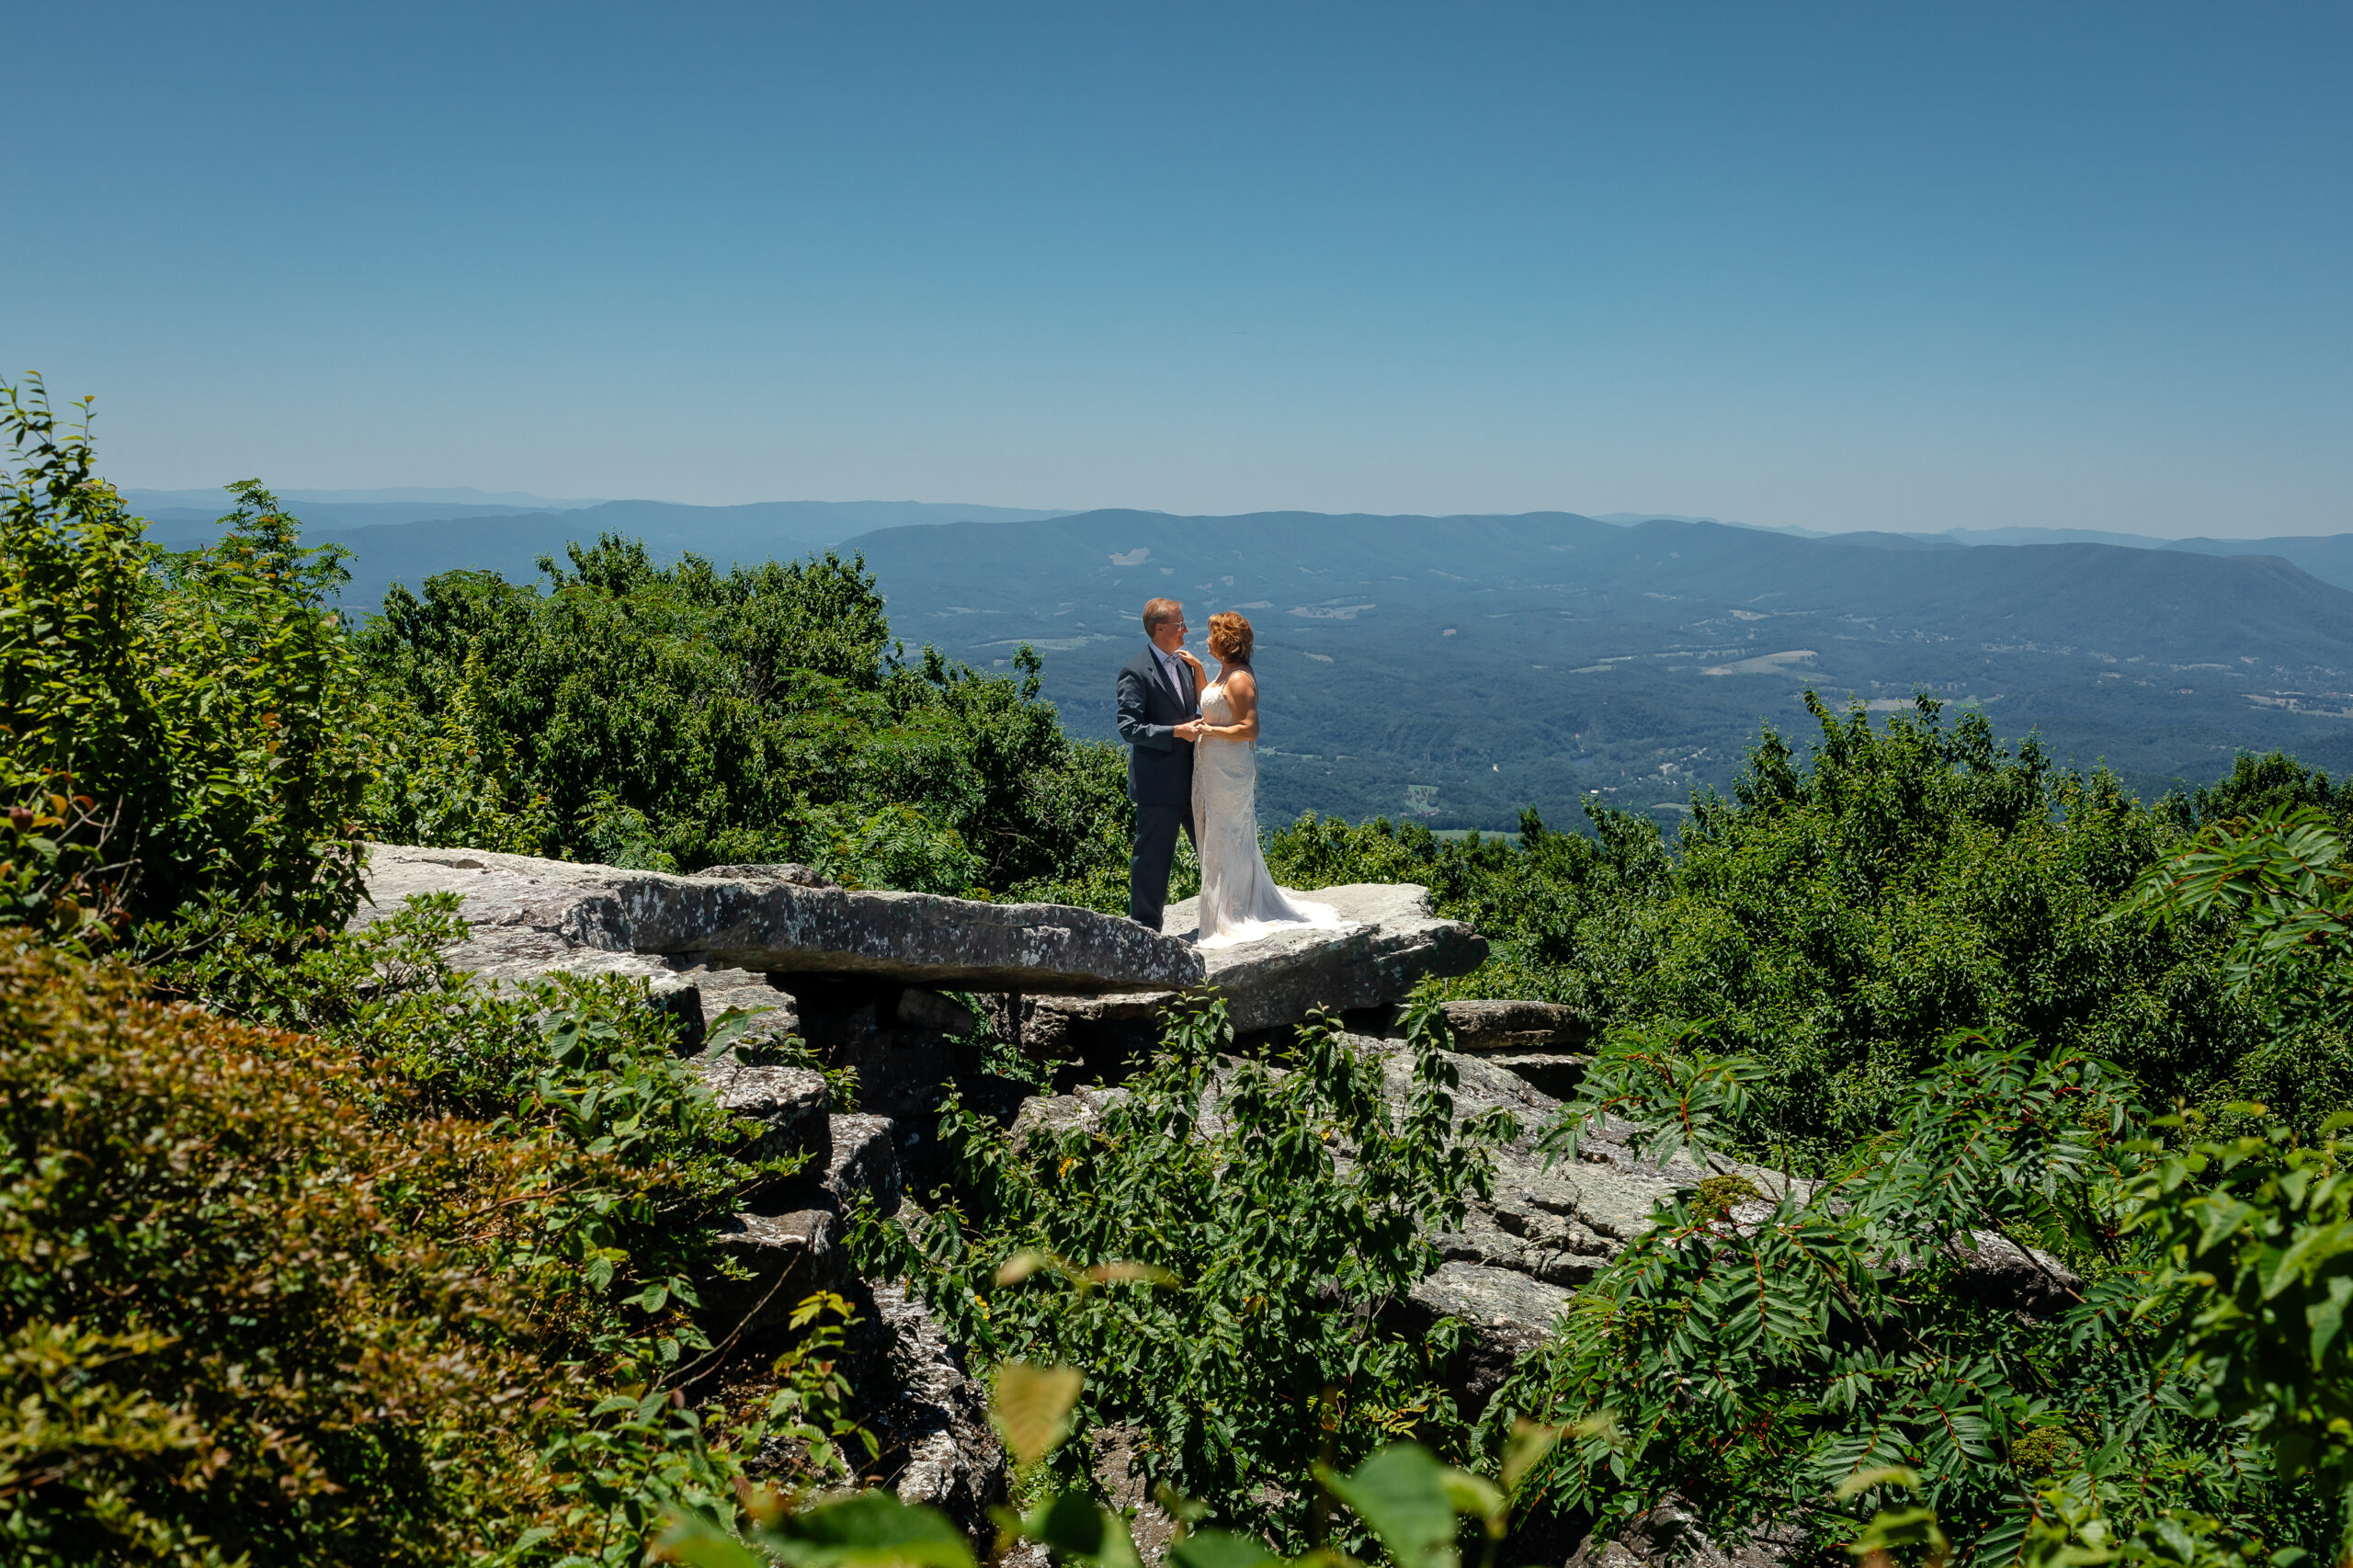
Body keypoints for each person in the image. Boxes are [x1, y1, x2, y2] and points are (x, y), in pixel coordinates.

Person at [1188, 611, 1339, 947]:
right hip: (1213, 767)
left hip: (1229, 770)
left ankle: (1233, 910)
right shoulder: (1225, 672)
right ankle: (1227, 904)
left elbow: (1249, 728)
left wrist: (1209, 731)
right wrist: (1200, 672)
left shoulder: (1240, 679)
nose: (1207, 639)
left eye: (1212, 634)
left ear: (1225, 640)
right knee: (1218, 830)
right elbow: (1213, 705)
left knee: (1229, 831)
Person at [1115, 597, 1203, 930]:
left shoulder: (1184, 663)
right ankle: (1146, 931)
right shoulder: (1135, 672)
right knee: (1152, 861)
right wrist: (1176, 732)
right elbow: (1129, 728)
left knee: (1212, 851)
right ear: (1160, 628)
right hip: (1157, 785)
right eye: (1180, 623)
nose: (1186, 629)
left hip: (1193, 780)